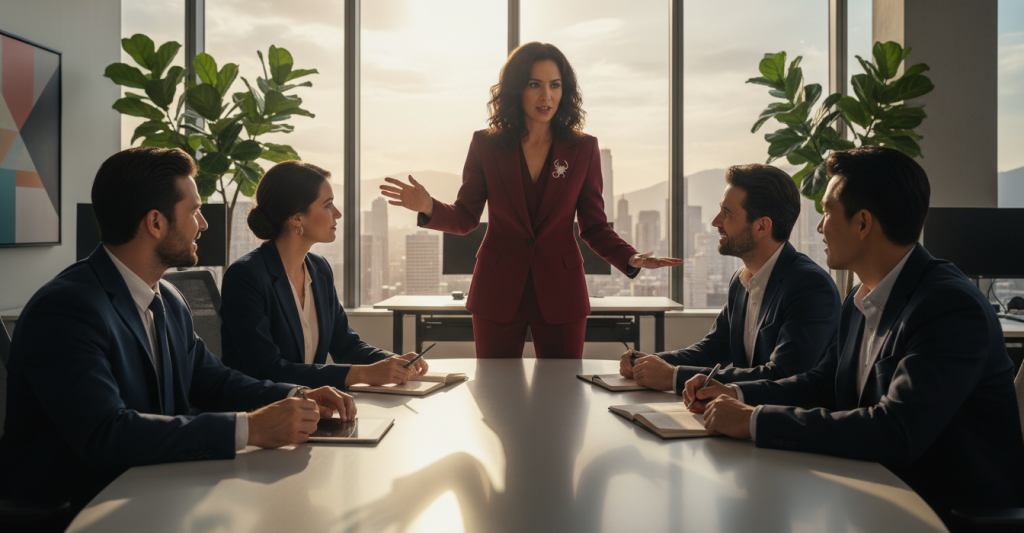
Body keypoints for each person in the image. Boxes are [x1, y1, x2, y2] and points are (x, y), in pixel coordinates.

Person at [0, 147, 355, 522]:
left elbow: (214, 381)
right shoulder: (67, 309)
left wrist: (295, 395)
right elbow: (107, 435)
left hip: (157, 486)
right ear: (155, 223)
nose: (203, 224)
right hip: (81, 508)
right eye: (194, 211)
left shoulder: (168, 298)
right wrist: (250, 428)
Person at [684, 147, 1024, 527]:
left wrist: (755, 420)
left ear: (862, 223)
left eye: (827, 212)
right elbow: (822, 384)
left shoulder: (948, 306)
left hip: (941, 512)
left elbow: (896, 430)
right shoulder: (862, 298)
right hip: (873, 490)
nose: (819, 227)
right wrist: (737, 394)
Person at [380, 42, 681, 358]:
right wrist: (428, 207)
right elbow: (467, 217)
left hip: (562, 290)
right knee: (495, 387)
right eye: (534, 84)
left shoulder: (583, 149)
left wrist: (631, 257)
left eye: (555, 85)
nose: (546, 96)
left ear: (565, 91)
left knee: (563, 387)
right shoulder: (485, 145)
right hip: (497, 289)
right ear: (516, 89)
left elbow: (594, 226)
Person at [620, 164, 840, 393]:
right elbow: (714, 349)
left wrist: (674, 377)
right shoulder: (741, 280)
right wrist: (648, 362)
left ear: (762, 226)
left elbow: (784, 375)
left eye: (727, 214)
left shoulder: (809, 286)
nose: (715, 222)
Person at [220, 161, 427, 388]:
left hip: (311, 403)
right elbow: (266, 368)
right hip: (264, 407)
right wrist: (362, 374)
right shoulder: (245, 276)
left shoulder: (319, 269)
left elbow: (346, 346)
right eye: (328, 205)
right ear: (296, 218)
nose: (337, 214)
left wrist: (394, 361)